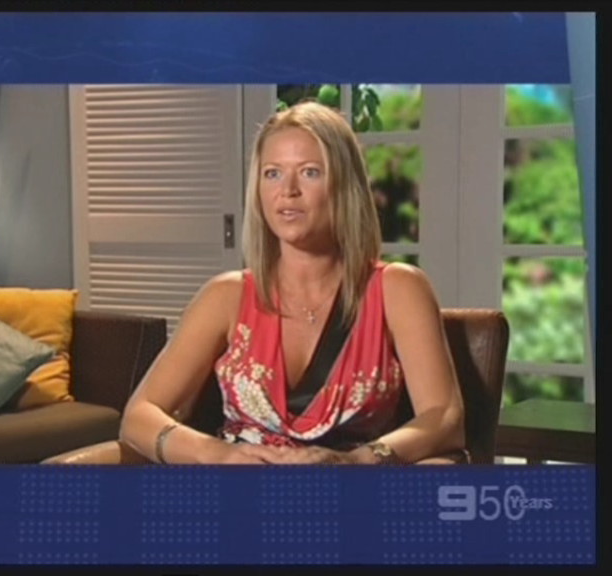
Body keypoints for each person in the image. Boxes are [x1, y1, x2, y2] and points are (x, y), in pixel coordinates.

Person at [118, 100, 467, 465]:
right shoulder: (226, 296)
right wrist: (219, 454)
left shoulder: (398, 289)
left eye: (310, 172)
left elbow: (444, 416)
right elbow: (139, 415)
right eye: (272, 173)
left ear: (345, 186)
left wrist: (360, 462)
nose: (288, 190)